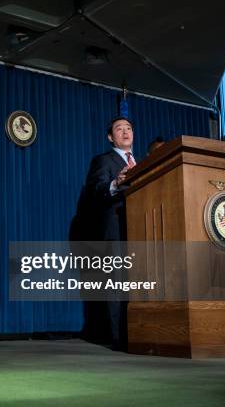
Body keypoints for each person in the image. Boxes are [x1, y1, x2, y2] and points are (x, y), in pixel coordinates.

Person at [82, 116, 136, 351]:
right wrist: (115, 183)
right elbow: (95, 190)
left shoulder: (142, 163)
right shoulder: (104, 160)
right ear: (110, 137)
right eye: (119, 129)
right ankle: (118, 339)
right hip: (115, 230)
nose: (125, 131)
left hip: (138, 230)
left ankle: (138, 333)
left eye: (128, 128)